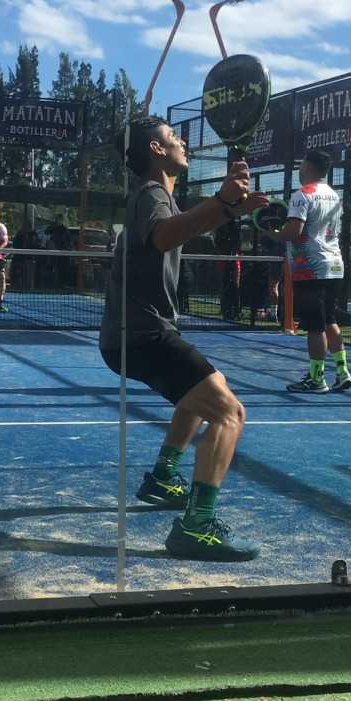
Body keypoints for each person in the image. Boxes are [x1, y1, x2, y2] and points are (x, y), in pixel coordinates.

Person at [99, 115, 268, 562]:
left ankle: (162, 477)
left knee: (207, 391)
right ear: (156, 150)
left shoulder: (157, 197)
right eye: (174, 137)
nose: (183, 142)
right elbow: (165, 236)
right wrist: (222, 201)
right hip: (142, 335)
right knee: (230, 413)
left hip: (135, 335)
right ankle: (196, 526)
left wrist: (229, 209)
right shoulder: (152, 194)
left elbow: (177, 228)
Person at [263, 149, 351, 394]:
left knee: (314, 326)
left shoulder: (302, 194)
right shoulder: (333, 195)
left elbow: (294, 231)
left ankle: (316, 378)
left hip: (310, 268)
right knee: (329, 319)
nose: (299, 170)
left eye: (301, 165)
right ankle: (342, 372)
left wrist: (273, 234)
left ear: (306, 167)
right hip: (334, 265)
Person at [214, 218, 241, 320]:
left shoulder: (237, 228)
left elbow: (239, 243)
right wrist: (221, 253)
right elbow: (217, 242)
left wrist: (234, 251)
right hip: (223, 256)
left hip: (234, 256)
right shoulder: (220, 227)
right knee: (222, 282)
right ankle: (224, 307)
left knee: (236, 283)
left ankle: (236, 309)